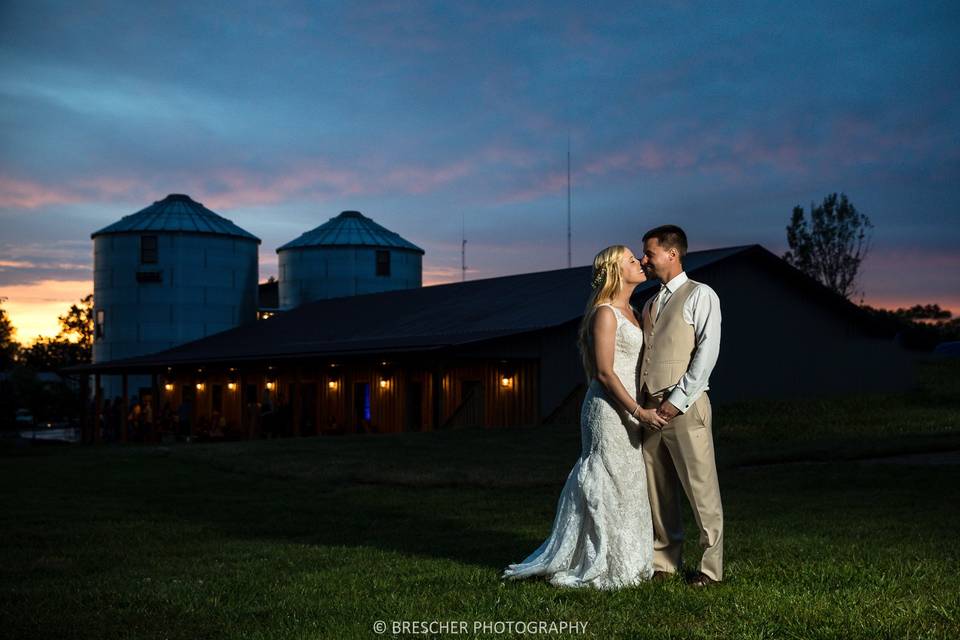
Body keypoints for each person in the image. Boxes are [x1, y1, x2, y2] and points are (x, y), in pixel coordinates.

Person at [502, 245, 667, 589]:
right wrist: (637, 411)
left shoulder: (633, 310)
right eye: (631, 260)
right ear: (616, 271)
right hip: (609, 409)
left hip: (632, 408)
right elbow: (605, 373)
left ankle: (632, 557)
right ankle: (598, 557)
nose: (640, 263)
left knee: (629, 479)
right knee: (607, 477)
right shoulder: (605, 313)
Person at [638, 225, 724, 587]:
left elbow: (706, 354)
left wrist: (675, 403)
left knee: (701, 490)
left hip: (684, 409)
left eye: (649, 253)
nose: (644, 260)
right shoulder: (649, 302)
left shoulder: (700, 295)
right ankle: (665, 562)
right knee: (658, 491)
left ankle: (710, 569)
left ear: (672, 254)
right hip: (649, 412)